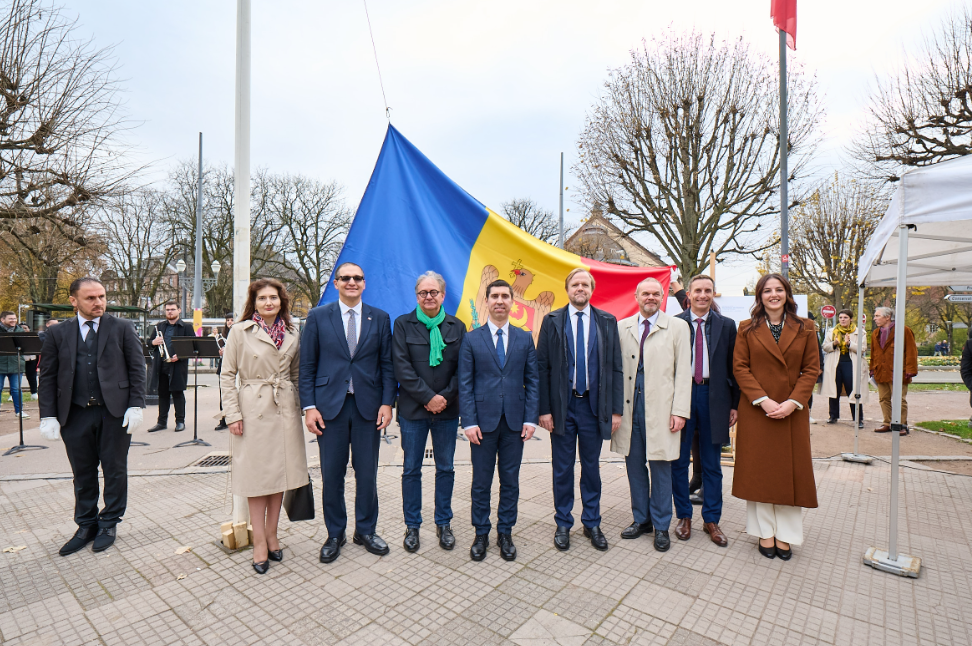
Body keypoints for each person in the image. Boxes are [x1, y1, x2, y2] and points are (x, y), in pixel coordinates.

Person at [37, 278, 146, 555]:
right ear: (74, 300)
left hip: (114, 413)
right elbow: (48, 376)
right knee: (82, 473)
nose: (98, 302)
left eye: (102, 296)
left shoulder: (121, 327)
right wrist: (48, 414)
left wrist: (136, 405)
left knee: (114, 469)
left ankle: (109, 522)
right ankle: (86, 524)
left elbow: (137, 368)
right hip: (74, 414)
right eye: (91, 298)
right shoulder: (58, 333)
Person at [299, 262, 396, 563]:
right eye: (346, 278)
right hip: (329, 408)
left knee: (367, 474)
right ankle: (335, 533)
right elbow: (307, 366)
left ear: (364, 284)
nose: (352, 282)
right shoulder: (317, 317)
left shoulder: (379, 318)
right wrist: (309, 406)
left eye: (357, 278)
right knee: (332, 474)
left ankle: (365, 530)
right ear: (337, 283)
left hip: (368, 406)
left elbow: (388, 365)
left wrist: (387, 402)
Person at [220, 279, 308, 574]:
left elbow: (296, 375)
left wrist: (300, 410)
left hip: (284, 410)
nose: (268, 302)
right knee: (257, 479)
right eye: (262, 298)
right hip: (252, 407)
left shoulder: (294, 333)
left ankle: (273, 533)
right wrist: (232, 414)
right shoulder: (239, 331)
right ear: (254, 303)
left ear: (282, 301)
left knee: (279, 476)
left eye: (274, 298)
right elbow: (227, 374)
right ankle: (259, 540)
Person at [732, 273, 820, 560]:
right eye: (767, 290)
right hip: (758, 411)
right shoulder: (746, 328)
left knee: (789, 475)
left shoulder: (806, 327)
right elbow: (740, 368)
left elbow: (811, 369)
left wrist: (794, 402)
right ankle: (764, 533)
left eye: (778, 289)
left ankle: (787, 535)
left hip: (792, 412)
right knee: (760, 475)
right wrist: (764, 400)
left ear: (787, 294)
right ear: (759, 296)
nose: (773, 295)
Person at [537, 268, 623, 552]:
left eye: (585, 284)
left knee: (591, 468)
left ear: (592, 289)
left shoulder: (607, 322)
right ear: (567, 289)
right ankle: (563, 522)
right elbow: (542, 367)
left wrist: (615, 410)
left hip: (593, 408)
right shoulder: (552, 321)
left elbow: (615, 368)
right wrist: (545, 409)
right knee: (562, 468)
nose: (580, 288)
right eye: (575, 284)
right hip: (563, 407)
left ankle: (592, 521)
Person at [459, 278, 539, 562]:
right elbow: (465, 384)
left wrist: (531, 419)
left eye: (506, 296)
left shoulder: (525, 337)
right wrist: (468, 422)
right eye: (495, 296)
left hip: (515, 424)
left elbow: (533, 380)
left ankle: (505, 531)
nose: (500, 301)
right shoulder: (471, 339)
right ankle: (481, 532)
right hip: (482, 424)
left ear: (512, 302)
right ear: (487, 301)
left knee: (510, 481)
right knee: (481, 482)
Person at [613, 277, 691, 553]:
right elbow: (615, 371)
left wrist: (680, 411)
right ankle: (641, 519)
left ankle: (661, 526)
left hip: (662, 409)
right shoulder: (621, 327)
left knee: (661, 467)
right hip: (629, 408)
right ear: (636, 296)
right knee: (634, 467)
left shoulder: (678, 327)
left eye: (656, 294)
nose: (650, 298)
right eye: (645, 293)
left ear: (663, 297)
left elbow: (684, 372)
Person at [393, 271, 465, 552]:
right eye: (423, 293)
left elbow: (463, 369)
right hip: (413, 410)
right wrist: (427, 397)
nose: (428, 297)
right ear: (417, 296)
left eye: (433, 292)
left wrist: (444, 398)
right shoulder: (403, 325)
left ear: (443, 295)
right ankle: (412, 526)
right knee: (411, 469)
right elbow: (401, 367)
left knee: (445, 468)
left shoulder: (457, 327)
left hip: (447, 411)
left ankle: (443, 522)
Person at [672, 275, 739, 547]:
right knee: (678, 462)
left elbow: (735, 368)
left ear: (713, 294)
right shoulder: (675, 323)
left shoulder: (727, 325)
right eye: (697, 290)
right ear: (688, 293)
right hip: (682, 397)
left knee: (712, 464)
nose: (702, 295)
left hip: (715, 398)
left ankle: (711, 519)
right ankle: (684, 516)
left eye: (707, 291)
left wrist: (734, 404)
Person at [145, 301, 194, 433]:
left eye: (172, 309)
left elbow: (192, 346)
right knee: (163, 394)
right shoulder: (160, 326)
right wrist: (153, 342)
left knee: (178, 393)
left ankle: (180, 421)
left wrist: (180, 355)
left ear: (179, 310)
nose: (170, 312)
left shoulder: (186, 327)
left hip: (178, 365)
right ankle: (161, 422)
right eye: (167, 310)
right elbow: (149, 343)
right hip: (161, 365)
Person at [870, 306, 918, 436]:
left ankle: (902, 424)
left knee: (900, 399)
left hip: (898, 372)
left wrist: (910, 369)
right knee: (883, 398)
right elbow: (874, 353)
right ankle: (887, 422)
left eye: (877, 316)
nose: (874, 318)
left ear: (887, 317)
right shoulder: (875, 333)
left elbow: (911, 351)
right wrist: (872, 369)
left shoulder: (904, 330)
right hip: (881, 371)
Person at [820, 309, 867, 428]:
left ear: (850, 319)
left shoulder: (859, 332)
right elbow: (825, 347)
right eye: (840, 317)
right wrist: (834, 344)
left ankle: (858, 418)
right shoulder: (832, 331)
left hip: (851, 364)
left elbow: (862, 348)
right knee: (833, 390)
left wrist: (849, 344)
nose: (842, 320)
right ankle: (833, 416)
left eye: (845, 317)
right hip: (835, 364)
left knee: (854, 390)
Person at [0, 312, 27, 418]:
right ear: (2, 319)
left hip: (16, 364)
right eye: (10, 318)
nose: (13, 321)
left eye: (14, 318)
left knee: (16, 389)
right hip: (1, 364)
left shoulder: (20, 330)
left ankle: (19, 411)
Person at [214, 312, 235, 431]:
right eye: (228, 320)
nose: (230, 322)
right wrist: (219, 352)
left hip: (236, 367)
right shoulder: (222, 336)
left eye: (232, 320)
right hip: (224, 367)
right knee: (223, 394)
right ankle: (223, 420)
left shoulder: (239, 334)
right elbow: (216, 351)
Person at [18, 323, 39, 401]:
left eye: (26, 328)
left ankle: (34, 393)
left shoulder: (33, 337)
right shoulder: (16, 338)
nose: (24, 329)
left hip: (31, 359)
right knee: (17, 378)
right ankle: (12, 394)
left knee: (32, 377)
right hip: (19, 359)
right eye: (22, 328)